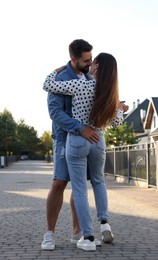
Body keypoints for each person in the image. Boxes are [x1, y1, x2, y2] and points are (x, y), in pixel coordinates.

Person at [43, 52, 128, 251]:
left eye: (93, 62)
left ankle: (88, 238)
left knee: (79, 189)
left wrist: (57, 70)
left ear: (96, 66)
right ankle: (104, 222)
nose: (89, 65)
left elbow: (48, 85)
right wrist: (119, 109)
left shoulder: (80, 85)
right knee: (99, 182)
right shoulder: (110, 93)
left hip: (78, 140)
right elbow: (116, 122)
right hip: (98, 140)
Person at [41, 39, 101, 251]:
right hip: (64, 139)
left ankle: (79, 231)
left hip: (85, 140)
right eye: (86, 60)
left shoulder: (89, 77)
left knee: (79, 185)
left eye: (91, 59)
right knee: (59, 183)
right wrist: (80, 128)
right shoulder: (61, 78)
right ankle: (49, 233)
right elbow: (55, 113)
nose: (90, 63)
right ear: (73, 59)